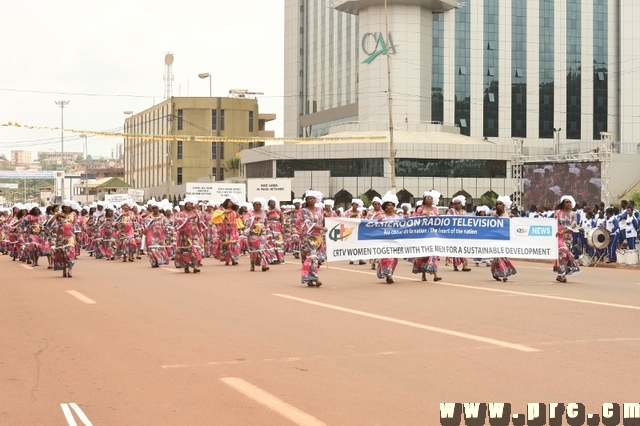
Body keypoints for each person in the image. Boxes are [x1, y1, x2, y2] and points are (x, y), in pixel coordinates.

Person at [412, 190, 442, 282]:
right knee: (424, 254)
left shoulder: (435, 209)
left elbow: (438, 220)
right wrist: (422, 214)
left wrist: (439, 217)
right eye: (428, 198)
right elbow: (414, 218)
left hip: (433, 234)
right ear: (424, 199)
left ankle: (435, 275)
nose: (430, 200)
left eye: (431, 198)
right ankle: (423, 274)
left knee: (433, 253)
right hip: (423, 233)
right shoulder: (420, 209)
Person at [298, 190, 327, 287]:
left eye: (313, 198)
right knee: (312, 257)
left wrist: (325, 228)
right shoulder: (303, 211)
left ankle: (310, 279)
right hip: (308, 237)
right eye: (309, 198)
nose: (312, 200)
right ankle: (316, 278)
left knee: (318, 258)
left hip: (319, 237)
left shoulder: (319, 210)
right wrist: (322, 228)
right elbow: (308, 223)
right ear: (306, 200)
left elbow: (322, 221)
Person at [174, 196, 206, 273]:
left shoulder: (197, 213)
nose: (189, 205)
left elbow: (200, 224)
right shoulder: (180, 214)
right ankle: (186, 266)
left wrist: (202, 233)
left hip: (194, 233)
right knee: (186, 250)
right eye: (187, 204)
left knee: (195, 248)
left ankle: (195, 266)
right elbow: (177, 224)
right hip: (184, 234)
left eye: (190, 204)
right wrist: (188, 219)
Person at [490, 196, 517, 282]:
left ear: (504, 205)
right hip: (496, 238)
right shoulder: (494, 214)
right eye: (497, 204)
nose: (498, 205)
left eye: (500, 204)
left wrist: (513, 219)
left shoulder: (507, 215)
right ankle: (504, 274)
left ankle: (495, 272)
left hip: (504, 238)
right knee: (499, 256)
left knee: (502, 256)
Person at [553, 195, 580, 282]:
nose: (568, 204)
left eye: (570, 202)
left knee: (564, 256)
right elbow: (553, 223)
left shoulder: (573, 214)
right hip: (559, 237)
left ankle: (559, 275)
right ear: (563, 203)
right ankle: (563, 275)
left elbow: (574, 225)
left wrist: (564, 232)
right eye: (566, 202)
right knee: (562, 252)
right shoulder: (558, 212)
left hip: (568, 238)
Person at [377, 191, 400, 284]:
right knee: (387, 257)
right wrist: (378, 221)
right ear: (385, 207)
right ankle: (389, 275)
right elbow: (372, 225)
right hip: (384, 240)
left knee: (395, 259)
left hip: (395, 240)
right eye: (389, 205)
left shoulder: (398, 217)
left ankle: (389, 274)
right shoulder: (381, 216)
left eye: (392, 205)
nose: (390, 207)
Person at [51, 201, 77, 278]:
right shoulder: (59, 214)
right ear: (63, 208)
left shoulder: (74, 215)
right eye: (65, 208)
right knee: (62, 253)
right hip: (60, 236)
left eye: (68, 208)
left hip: (70, 236)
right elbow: (51, 222)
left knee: (70, 253)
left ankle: (70, 270)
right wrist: (56, 215)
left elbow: (76, 224)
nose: (67, 209)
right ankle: (64, 270)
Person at [246, 198, 273, 272]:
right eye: (256, 204)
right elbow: (246, 221)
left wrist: (268, 231)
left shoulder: (263, 213)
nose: (258, 206)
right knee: (253, 250)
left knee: (263, 248)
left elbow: (266, 222)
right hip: (253, 233)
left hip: (262, 233)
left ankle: (264, 265)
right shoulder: (249, 213)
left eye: (259, 204)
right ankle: (252, 265)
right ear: (253, 205)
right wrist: (253, 218)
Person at [214, 195, 241, 266]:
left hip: (233, 229)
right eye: (229, 202)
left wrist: (239, 227)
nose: (230, 204)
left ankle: (233, 259)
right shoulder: (221, 209)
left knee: (233, 244)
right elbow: (217, 215)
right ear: (226, 202)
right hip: (224, 229)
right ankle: (226, 259)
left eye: (232, 203)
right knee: (226, 244)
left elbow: (238, 219)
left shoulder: (234, 211)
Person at [447, 195, 472, 272]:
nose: (457, 205)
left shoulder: (464, 212)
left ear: (461, 204)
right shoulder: (450, 211)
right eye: (455, 203)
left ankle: (464, 265)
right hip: (453, 232)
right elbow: (448, 220)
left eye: (458, 203)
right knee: (455, 249)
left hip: (462, 233)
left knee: (463, 248)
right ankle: (455, 266)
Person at [143, 201, 171, 268]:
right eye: (153, 208)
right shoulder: (149, 217)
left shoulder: (162, 216)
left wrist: (168, 231)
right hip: (151, 233)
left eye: (156, 208)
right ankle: (153, 261)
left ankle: (158, 260)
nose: (155, 209)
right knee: (151, 247)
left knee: (159, 247)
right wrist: (145, 230)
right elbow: (145, 225)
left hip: (160, 234)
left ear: (159, 208)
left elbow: (167, 224)